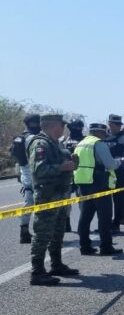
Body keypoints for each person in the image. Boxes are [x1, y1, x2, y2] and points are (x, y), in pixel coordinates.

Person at [26, 114, 78, 286]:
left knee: (57, 232)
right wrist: (62, 166)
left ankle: (56, 264)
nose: (64, 128)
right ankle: (37, 272)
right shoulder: (40, 144)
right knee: (43, 234)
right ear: (54, 125)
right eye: (62, 125)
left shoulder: (55, 143)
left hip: (59, 195)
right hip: (47, 196)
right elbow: (39, 170)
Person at [74, 123, 123, 255]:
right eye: (104, 133)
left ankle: (84, 247)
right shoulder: (98, 144)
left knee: (85, 216)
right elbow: (110, 164)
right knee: (105, 216)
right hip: (98, 183)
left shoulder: (81, 144)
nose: (105, 136)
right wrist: (120, 161)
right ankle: (106, 247)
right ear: (98, 132)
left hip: (83, 183)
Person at [10, 114, 40, 244]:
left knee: (28, 203)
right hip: (35, 174)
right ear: (35, 123)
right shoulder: (34, 138)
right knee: (40, 204)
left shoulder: (20, 137)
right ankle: (39, 234)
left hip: (24, 173)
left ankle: (24, 231)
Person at [62, 118, 86, 233]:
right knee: (66, 200)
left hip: (82, 174)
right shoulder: (63, 140)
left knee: (83, 201)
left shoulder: (86, 141)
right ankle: (66, 223)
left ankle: (83, 225)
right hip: (68, 175)